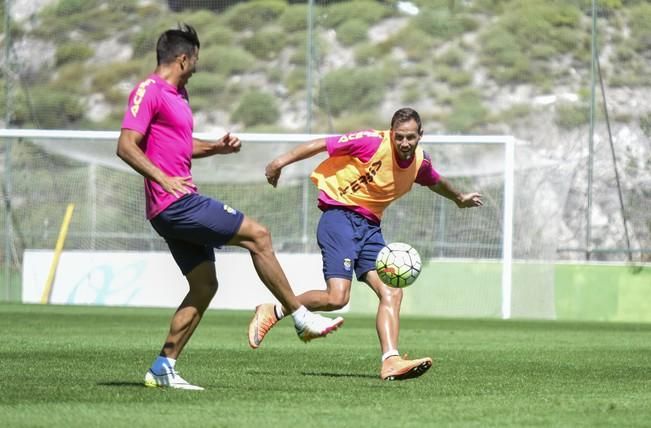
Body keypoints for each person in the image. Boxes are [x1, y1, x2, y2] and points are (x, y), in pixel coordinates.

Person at [116, 23, 343, 391]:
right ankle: (300, 316)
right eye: (195, 61)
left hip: (174, 205)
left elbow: (180, 146)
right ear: (183, 58)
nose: (196, 68)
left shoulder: (179, 95)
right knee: (259, 235)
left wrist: (215, 148)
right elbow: (126, 145)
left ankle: (163, 366)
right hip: (176, 202)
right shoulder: (149, 91)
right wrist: (162, 179)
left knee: (204, 285)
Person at [247, 107, 483, 381]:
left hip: (370, 228)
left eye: (410, 137)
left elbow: (436, 182)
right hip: (339, 217)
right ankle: (273, 310)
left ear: (421, 135)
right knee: (337, 298)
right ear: (391, 134)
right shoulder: (371, 141)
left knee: (393, 292)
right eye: (399, 137)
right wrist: (280, 162)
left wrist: (459, 198)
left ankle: (390, 361)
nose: (404, 143)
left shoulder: (420, 163)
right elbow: (323, 144)